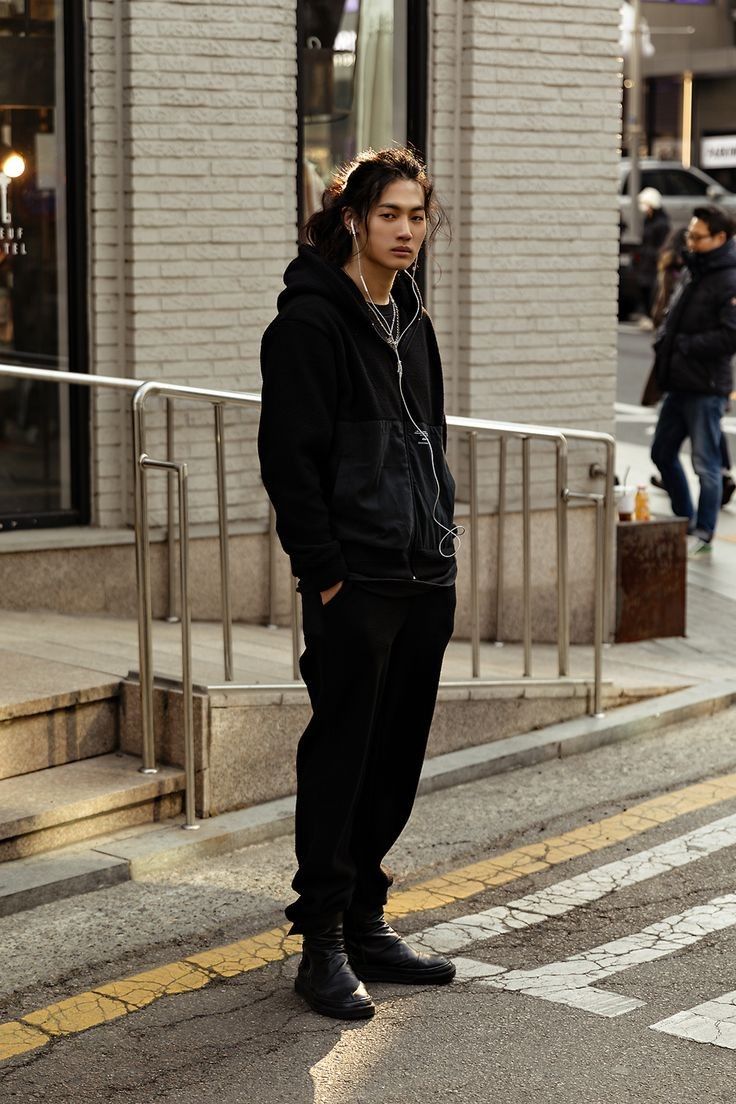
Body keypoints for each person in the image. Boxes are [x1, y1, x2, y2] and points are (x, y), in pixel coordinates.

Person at [258, 148, 460, 1021]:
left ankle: (368, 916)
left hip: (423, 573)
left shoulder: (410, 314)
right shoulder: (309, 324)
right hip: (358, 583)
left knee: (397, 757)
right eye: (390, 215)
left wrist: (442, 533)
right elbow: (289, 465)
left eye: (417, 215)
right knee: (341, 756)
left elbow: (433, 438)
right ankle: (323, 942)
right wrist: (326, 576)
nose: (407, 230)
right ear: (354, 219)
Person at [650, 205, 736, 556]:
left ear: (720, 238)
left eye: (698, 237)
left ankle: (703, 531)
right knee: (662, 452)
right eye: (690, 235)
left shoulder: (728, 278)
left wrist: (683, 345)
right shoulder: (695, 268)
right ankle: (684, 518)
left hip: (705, 386)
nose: (691, 241)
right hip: (679, 381)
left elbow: (731, 337)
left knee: (706, 465)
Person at [635, 187, 671, 326]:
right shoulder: (648, 221)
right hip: (645, 262)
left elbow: (662, 245)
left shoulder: (661, 224)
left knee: (653, 289)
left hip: (653, 262)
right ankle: (647, 314)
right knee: (644, 287)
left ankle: (652, 316)